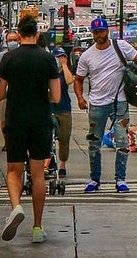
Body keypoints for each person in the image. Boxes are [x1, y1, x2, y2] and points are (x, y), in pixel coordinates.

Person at [0, 13, 60, 244]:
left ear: (19, 35)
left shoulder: (9, 59)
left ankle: (16, 207)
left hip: (16, 120)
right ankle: (37, 227)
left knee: (13, 170)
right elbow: (57, 95)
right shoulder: (48, 59)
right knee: (38, 174)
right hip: (41, 120)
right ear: (37, 34)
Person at [73, 16, 137, 193]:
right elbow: (78, 80)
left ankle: (120, 179)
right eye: (96, 32)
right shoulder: (87, 56)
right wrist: (80, 97)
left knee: (122, 142)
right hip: (97, 105)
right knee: (94, 143)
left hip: (119, 102)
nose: (99, 34)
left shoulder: (120, 46)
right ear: (92, 33)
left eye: (101, 31)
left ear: (107, 31)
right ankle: (94, 179)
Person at [0, 30, 19, 150]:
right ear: (6, 42)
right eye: (10, 40)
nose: (12, 42)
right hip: (4, 91)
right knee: (4, 119)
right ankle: (7, 142)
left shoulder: (21, 55)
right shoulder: (2, 56)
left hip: (18, 92)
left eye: (14, 40)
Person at [51, 47, 74, 178]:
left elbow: (70, 80)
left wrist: (64, 65)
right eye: (58, 57)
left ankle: (62, 164)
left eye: (62, 57)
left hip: (64, 108)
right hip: (51, 108)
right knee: (49, 138)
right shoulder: (50, 72)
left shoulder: (63, 72)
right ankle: (49, 162)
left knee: (64, 138)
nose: (60, 59)